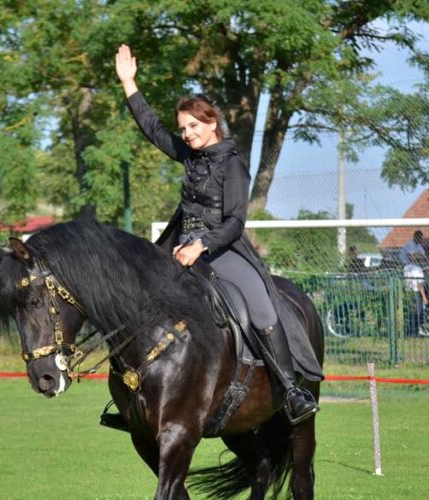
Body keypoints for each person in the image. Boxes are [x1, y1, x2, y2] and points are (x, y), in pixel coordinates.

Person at [115, 44, 320, 423]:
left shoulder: (233, 164)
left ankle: (291, 391)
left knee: (261, 308)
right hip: (179, 246)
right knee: (138, 297)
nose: (188, 134)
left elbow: (235, 222)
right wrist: (130, 85)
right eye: (184, 129)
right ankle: (135, 395)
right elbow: (153, 129)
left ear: (212, 123)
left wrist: (201, 245)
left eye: (194, 126)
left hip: (223, 249)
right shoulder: (190, 156)